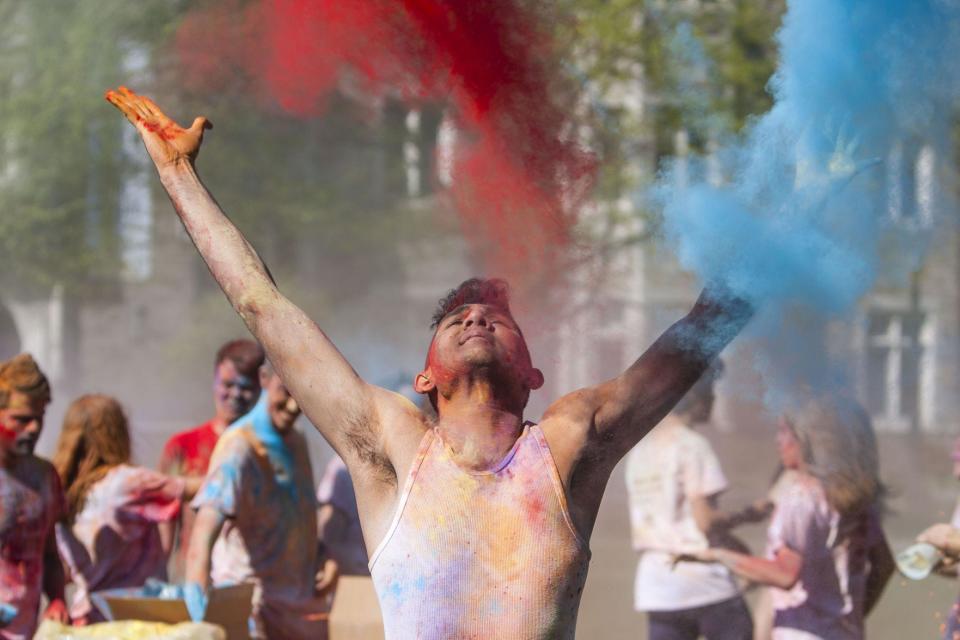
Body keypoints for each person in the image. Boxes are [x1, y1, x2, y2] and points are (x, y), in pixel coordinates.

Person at [106, 86, 752, 639]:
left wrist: (783, 235)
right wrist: (178, 178)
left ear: (532, 372)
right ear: (423, 377)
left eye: (495, 318)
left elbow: (696, 334)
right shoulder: (391, 446)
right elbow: (264, 309)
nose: (475, 316)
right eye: (456, 317)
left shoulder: (565, 445)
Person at [694, 397, 894, 640]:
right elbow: (884, 565)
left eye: (783, 432)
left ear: (807, 441)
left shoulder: (800, 498)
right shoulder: (854, 501)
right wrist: (850, 620)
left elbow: (784, 575)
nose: (778, 442)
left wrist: (717, 555)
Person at [186, 362, 338, 639]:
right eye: (285, 392)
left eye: (302, 396)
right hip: (253, 614)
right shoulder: (240, 447)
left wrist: (322, 555)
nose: (293, 406)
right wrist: (199, 619)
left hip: (298, 612)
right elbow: (201, 537)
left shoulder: (297, 439)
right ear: (265, 379)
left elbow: (296, 517)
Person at [625, 361, 754, 640]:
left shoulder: (640, 450)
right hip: (702, 581)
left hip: (657, 585)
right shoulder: (692, 445)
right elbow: (706, 522)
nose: (714, 399)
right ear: (695, 396)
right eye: (711, 391)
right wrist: (749, 514)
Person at [52, 395, 201, 624]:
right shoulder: (127, 482)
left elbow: (63, 571)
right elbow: (200, 489)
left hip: (84, 620)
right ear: (117, 433)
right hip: (132, 622)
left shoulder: (60, 492)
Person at [159, 339, 264, 578]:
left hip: (249, 584)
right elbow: (164, 522)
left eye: (246, 387)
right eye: (228, 384)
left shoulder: (269, 451)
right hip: (192, 578)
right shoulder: (182, 447)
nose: (236, 394)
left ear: (261, 389)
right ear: (214, 381)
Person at [0, 354, 69, 638]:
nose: (34, 428)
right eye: (21, 419)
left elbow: (50, 553)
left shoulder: (45, 476)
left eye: (39, 418)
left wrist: (57, 599)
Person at [316, 454, 368, 576]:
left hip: (364, 569)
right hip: (353, 571)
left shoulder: (343, 463)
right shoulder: (343, 466)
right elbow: (330, 524)